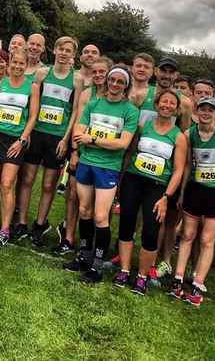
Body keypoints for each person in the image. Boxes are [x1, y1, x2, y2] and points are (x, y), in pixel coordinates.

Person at [64, 65, 139, 283]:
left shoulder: (130, 111)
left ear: (126, 86)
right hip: (86, 163)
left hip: (108, 168)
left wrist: (93, 140)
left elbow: (122, 143)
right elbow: (79, 131)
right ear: (106, 81)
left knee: (100, 216)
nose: (115, 85)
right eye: (112, 80)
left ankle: (97, 264)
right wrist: (92, 140)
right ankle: (84, 256)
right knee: (84, 210)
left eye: (120, 82)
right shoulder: (94, 102)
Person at [113, 89, 186, 295]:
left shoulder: (179, 137)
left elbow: (179, 170)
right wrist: (121, 180)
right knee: (127, 224)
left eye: (172, 103)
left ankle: (142, 276)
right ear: (156, 104)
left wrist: (166, 197)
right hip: (133, 180)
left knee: (151, 231)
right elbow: (131, 153)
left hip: (157, 187)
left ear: (177, 109)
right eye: (164, 102)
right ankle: (125, 270)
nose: (167, 105)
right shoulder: (143, 126)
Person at [169, 97, 215, 306]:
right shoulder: (190, 134)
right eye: (203, 110)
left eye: (211, 110)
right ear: (198, 113)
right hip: (195, 190)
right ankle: (178, 279)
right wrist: (182, 193)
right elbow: (188, 164)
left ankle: (198, 283)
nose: (206, 113)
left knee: (207, 240)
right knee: (187, 235)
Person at [18, 37, 82, 245]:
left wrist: (66, 139)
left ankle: (39, 224)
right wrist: (27, 132)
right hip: (37, 132)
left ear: (73, 55)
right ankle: (20, 223)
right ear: (54, 50)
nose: (64, 53)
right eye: (61, 49)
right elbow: (33, 104)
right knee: (27, 180)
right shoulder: (42, 73)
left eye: (68, 50)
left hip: (57, 136)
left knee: (48, 185)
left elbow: (75, 112)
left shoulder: (77, 79)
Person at [0, 48, 39, 245]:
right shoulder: (0, 84)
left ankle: (4, 229)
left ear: (26, 66)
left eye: (22, 64)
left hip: (15, 141)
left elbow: (33, 116)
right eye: (15, 63)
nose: (17, 66)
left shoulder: (33, 87)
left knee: (6, 184)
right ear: (9, 63)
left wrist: (22, 140)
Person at [54, 56, 113, 255]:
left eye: (102, 72)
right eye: (94, 72)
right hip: (81, 152)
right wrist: (75, 152)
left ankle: (97, 246)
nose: (98, 75)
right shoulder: (87, 94)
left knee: (101, 206)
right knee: (73, 195)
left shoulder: (119, 98)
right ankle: (69, 237)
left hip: (106, 159)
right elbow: (78, 122)